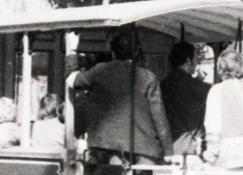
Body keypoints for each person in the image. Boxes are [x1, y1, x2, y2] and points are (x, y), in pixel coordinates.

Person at [69, 31, 172, 164]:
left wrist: (71, 51)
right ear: (136, 53)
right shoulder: (148, 77)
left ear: (113, 53)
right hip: (144, 146)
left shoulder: (100, 71)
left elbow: (71, 80)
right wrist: (168, 151)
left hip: (107, 145)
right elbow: (159, 117)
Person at [201, 48, 243, 168]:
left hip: (227, 156)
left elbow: (213, 126)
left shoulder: (217, 91)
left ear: (219, 68)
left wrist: (210, 156)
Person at [160, 42, 210, 157]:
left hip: (166, 147)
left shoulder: (163, 84)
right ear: (188, 61)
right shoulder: (196, 86)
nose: (197, 62)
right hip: (189, 148)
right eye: (196, 58)